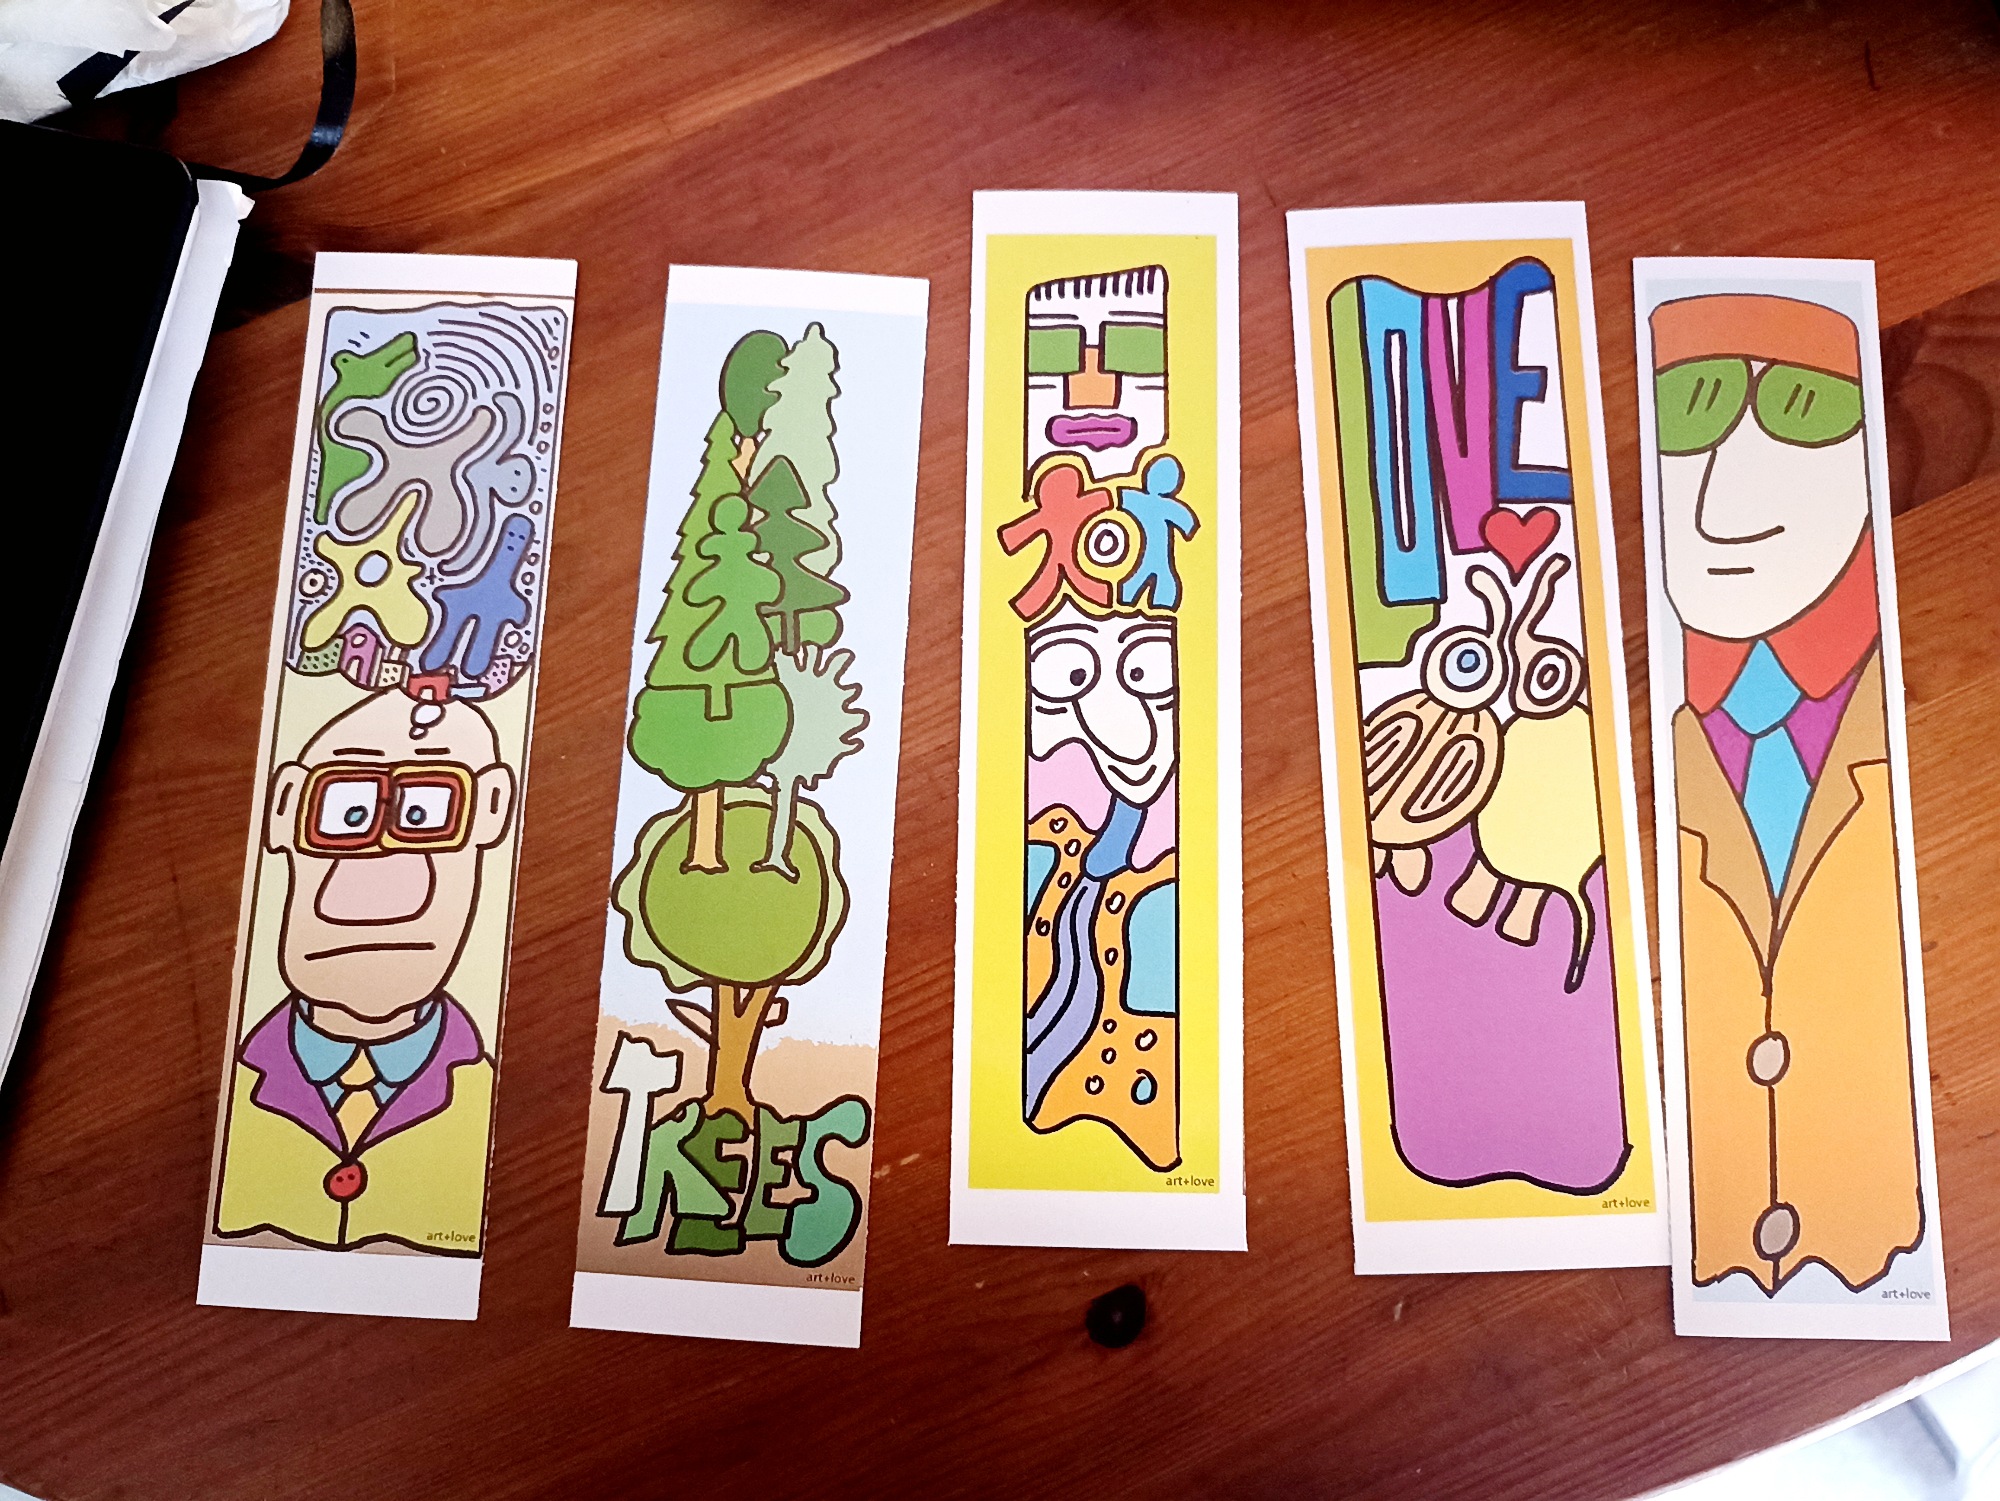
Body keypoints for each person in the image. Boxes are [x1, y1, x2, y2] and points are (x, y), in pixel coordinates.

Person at [1651, 292, 1921, 1294]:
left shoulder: (1898, 723)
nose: (1718, 507)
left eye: (1801, 416)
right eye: (1690, 418)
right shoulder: (1643, 735)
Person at [213, 686, 516, 1253]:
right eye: (347, 812)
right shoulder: (223, 1094)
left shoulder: (495, 1108)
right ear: (285, 809)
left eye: (426, 814)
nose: (383, 877)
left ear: (492, 812)